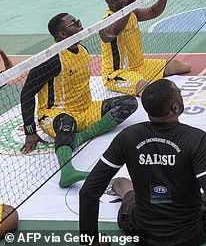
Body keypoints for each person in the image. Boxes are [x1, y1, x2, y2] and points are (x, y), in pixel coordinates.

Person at [79, 79, 206, 246]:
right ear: (175, 107)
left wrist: (91, 241)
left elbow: (88, 191)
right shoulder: (195, 138)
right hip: (189, 233)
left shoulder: (128, 136)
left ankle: (121, 186)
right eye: (180, 95)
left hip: (140, 230)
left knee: (128, 188)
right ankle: (131, 188)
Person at [20, 13, 138, 187]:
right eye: (74, 23)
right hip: (56, 115)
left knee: (129, 103)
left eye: (78, 21)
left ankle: (81, 137)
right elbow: (27, 93)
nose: (80, 25)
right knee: (67, 122)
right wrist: (30, 131)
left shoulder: (83, 50)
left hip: (86, 110)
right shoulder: (51, 58)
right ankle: (67, 172)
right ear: (61, 34)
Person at [100, 0, 192, 96]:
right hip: (116, 73)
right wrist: (131, 3)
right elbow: (114, 31)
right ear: (112, 3)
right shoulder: (106, 22)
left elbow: (153, 12)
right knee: (149, 90)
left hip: (139, 66)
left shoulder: (132, 13)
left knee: (182, 66)